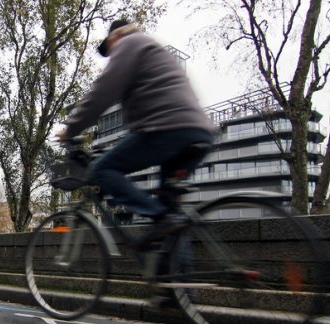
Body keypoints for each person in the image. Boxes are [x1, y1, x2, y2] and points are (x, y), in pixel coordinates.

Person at [56, 20, 217, 307]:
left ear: (117, 35)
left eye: (109, 47)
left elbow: (102, 92)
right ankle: (178, 291)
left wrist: (71, 128)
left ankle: (158, 217)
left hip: (166, 129)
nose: (111, 52)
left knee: (103, 169)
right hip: (196, 132)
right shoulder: (156, 51)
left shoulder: (130, 43)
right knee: (173, 214)